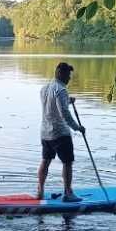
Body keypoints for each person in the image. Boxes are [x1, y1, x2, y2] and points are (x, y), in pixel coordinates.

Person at [36, 61, 85, 202]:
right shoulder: (61, 90)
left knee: (45, 161)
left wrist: (67, 101)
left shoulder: (44, 88)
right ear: (60, 73)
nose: (69, 78)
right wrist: (77, 127)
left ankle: (40, 192)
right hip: (60, 133)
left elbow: (52, 105)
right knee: (68, 162)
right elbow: (63, 112)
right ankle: (68, 193)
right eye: (67, 75)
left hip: (45, 133)